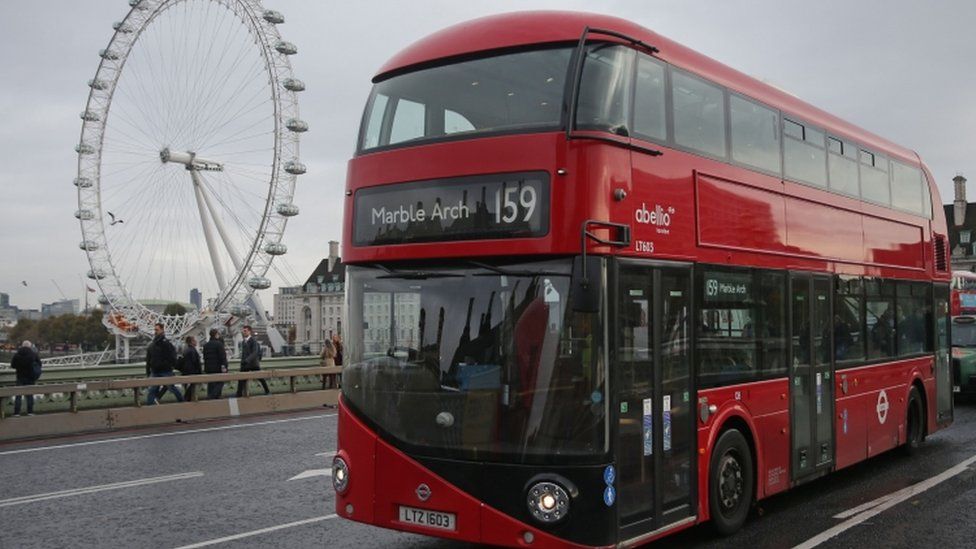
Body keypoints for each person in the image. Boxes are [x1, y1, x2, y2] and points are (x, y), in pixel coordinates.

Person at [145, 323, 184, 404]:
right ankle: (149, 407)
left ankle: (182, 402)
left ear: (162, 330)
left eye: (157, 330)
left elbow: (172, 356)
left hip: (164, 370)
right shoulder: (153, 344)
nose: (155, 331)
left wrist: (170, 365)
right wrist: (148, 371)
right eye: (155, 330)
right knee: (153, 390)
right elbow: (149, 359)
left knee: (171, 388)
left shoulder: (166, 344)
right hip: (156, 370)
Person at [236, 325, 270, 397]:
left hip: (253, 363)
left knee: (260, 378)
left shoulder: (253, 341)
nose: (243, 332)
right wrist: (243, 361)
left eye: (245, 331)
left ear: (249, 331)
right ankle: (239, 394)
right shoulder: (243, 341)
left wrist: (247, 360)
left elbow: (255, 352)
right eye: (243, 331)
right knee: (241, 379)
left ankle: (267, 391)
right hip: (245, 364)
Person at [10, 340, 41, 416]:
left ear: (22, 346)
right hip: (30, 377)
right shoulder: (33, 355)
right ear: (30, 346)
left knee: (18, 395)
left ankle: (17, 412)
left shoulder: (17, 355)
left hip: (20, 377)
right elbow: (39, 364)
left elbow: (13, 365)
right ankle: (30, 411)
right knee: (30, 395)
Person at [203, 329, 228, 399]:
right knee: (220, 382)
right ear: (216, 334)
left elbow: (205, 357)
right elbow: (222, 357)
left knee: (211, 384)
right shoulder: (219, 344)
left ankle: (211, 397)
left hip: (208, 368)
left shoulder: (206, 345)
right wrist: (224, 367)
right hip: (217, 368)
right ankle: (213, 396)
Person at [180, 335, 202, 401]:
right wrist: (199, 372)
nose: (196, 342)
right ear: (192, 342)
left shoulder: (185, 350)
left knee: (189, 388)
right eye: (195, 340)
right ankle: (189, 400)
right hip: (192, 372)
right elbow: (195, 362)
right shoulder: (192, 351)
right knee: (192, 389)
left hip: (186, 372)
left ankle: (188, 400)